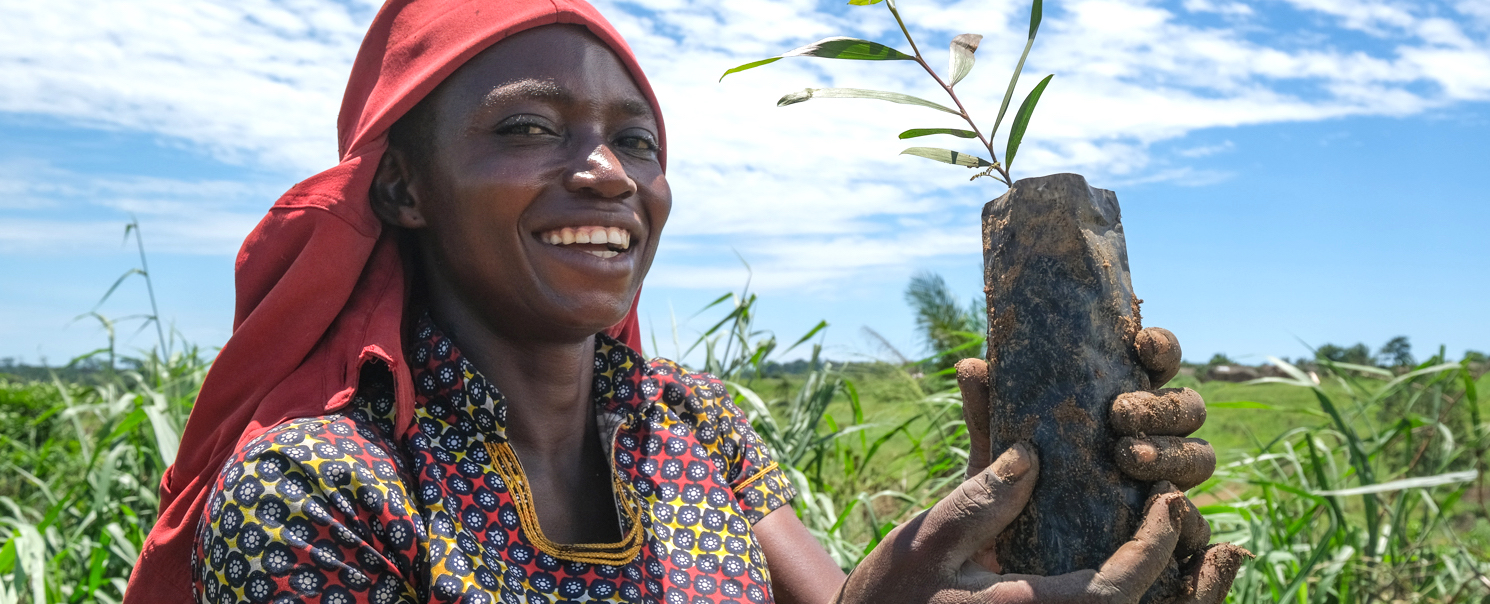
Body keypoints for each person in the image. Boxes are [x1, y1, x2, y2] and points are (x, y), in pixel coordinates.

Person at [123, 1, 1245, 603]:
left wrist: (1036, 503)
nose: (607, 173)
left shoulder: (689, 427)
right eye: (527, 128)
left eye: (634, 140)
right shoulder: (321, 491)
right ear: (404, 186)